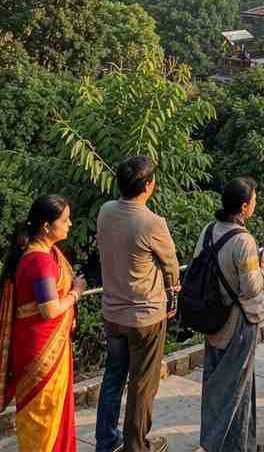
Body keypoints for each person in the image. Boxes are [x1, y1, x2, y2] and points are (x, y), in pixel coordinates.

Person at [0, 195, 86, 452]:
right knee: (44, 416)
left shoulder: (40, 253)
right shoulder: (41, 261)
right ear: (46, 226)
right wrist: (76, 293)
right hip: (41, 352)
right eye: (65, 220)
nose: (70, 224)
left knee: (43, 415)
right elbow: (50, 309)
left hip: (37, 344)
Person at [95, 157, 180, 452]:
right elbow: (171, 265)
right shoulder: (152, 223)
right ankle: (136, 445)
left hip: (113, 312)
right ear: (148, 185)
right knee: (143, 384)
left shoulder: (105, 212)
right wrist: (173, 293)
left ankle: (106, 441)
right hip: (145, 315)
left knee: (113, 378)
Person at [196, 179, 264, 452]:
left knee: (224, 383)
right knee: (234, 390)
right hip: (238, 322)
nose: (255, 204)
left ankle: (245, 443)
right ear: (243, 207)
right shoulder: (243, 240)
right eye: (253, 200)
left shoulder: (208, 231)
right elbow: (251, 287)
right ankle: (226, 446)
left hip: (213, 318)